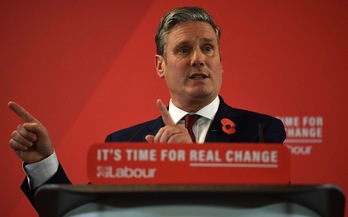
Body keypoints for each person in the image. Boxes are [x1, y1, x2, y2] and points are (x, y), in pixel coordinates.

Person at [8, 6, 286, 210]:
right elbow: (78, 214)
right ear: (160, 65)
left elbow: (270, 210)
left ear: (220, 62)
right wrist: (42, 162)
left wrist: (194, 163)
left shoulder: (261, 131)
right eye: (184, 50)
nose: (199, 59)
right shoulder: (124, 143)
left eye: (208, 48)